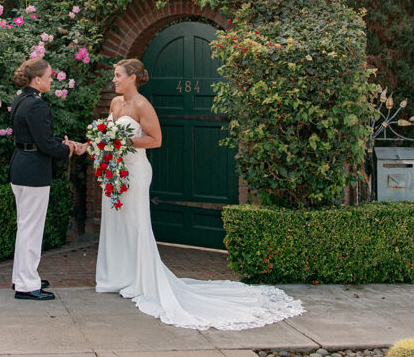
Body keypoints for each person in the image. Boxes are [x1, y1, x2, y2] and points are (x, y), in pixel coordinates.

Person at [94, 58, 304, 330]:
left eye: (118, 75)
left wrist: (122, 141)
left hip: (135, 172)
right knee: (115, 223)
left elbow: (156, 140)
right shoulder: (115, 103)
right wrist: (106, 145)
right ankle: (115, 276)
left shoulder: (142, 105)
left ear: (133, 77)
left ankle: (138, 279)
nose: (114, 79)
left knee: (135, 224)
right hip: (115, 170)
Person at [9, 57, 84, 301]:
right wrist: (67, 149)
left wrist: (57, 145)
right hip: (33, 171)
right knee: (31, 228)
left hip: (20, 166)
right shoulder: (38, 105)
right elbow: (45, 144)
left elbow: (36, 139)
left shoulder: (20, 99)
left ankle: (22, 277)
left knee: (25, 226)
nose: (52, 79)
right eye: (49, 76)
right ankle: (26, 284)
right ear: (38, 79)